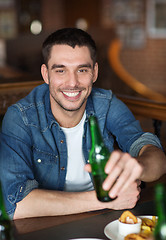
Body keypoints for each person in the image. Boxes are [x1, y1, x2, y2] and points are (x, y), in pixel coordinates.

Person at [0, 28, 166, 220]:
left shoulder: (107, 104)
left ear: (94, 72)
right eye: (61, 70)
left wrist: (139, 166)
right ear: (46, 74)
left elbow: (156, 157)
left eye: (82, 70)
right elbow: (16, 206)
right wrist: (105, 199)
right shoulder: (20, 117)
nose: (73, 82)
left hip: (102, 220)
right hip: (46, 224)